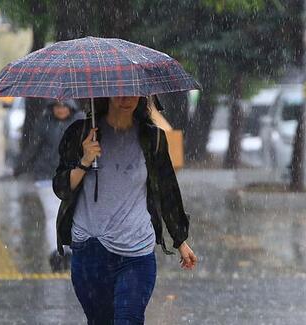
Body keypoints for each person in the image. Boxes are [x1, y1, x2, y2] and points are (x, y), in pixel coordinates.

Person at [53, 96, 197, 324]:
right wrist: (85, 160)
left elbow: (167, 189)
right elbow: (61, 188)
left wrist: (180, 240)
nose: (125, 97)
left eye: (132, 90)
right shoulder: (80, 133)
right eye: (118, 90)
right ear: (105, 93)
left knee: (128, 318)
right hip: (90, 249)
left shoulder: (152, 138)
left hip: (136, 251)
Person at [11, 99, 81, 271]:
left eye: (64, 106)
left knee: (70, 215)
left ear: (71, 107)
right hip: (46, 176)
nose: (61, 109)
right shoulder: (44, 123)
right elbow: (33, 147)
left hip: (71, 176)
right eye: (58, 106)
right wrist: (20, 167)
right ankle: (56, 253)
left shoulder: (79, 122)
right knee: (52, 216)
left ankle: (69, 251)